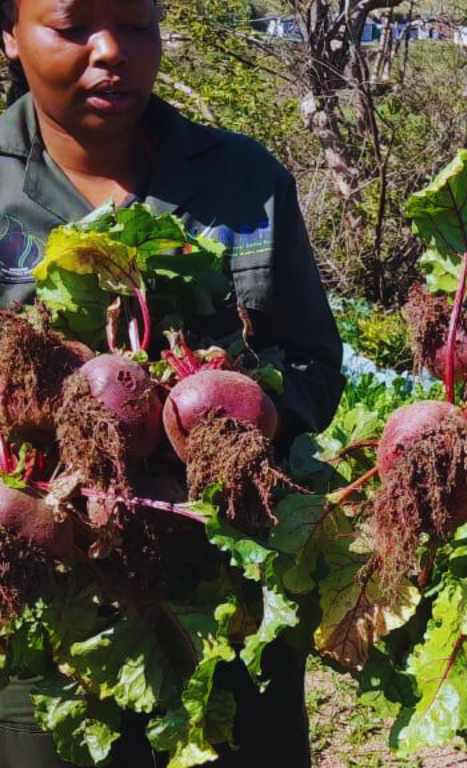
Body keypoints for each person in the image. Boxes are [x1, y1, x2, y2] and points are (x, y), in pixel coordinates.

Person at [0, 0, 344, 765]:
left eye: (139, 24)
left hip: (226, 589)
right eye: (73, 25)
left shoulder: (247, 180)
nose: (113, 50)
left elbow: (316, 364)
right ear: (10, 33)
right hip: (45, 607)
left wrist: (233, 430)